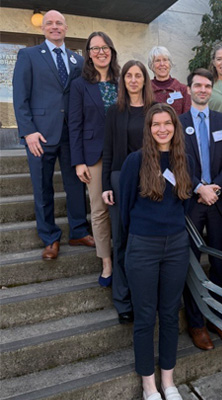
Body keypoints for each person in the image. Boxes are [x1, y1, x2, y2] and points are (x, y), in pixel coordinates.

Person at [119, 103, 193, 400]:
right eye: (155, 124)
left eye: (168, 123)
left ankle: (168, 381)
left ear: (175, 128)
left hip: (176, 245)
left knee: (171, 315)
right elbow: (124, 210)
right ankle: (149, 385)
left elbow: (183, 203)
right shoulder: (135, 161)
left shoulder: (183, 160)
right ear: (148, 130)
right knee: (146, 317)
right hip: (143, 246)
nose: (162, 128)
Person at [12, 9, 94, 261]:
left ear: (66, 27)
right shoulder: (28, 55)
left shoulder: (77, 60)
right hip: (40, 135)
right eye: (50, 23)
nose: (55, 27)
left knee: (76, 185)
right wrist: (28, 132)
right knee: (42, 187)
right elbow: (20, 96)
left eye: (59, 23)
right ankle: (49, 238)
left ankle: (79, 230)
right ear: (43, 28)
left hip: (71, 135)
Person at [178, 68, 222, 350]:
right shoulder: (177, 123)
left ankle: (217, 317)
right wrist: (197, 188)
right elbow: (175, 162)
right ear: (189, 89)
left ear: (211, 90)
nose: (202, 89)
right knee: (191, 263)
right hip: (191, 202)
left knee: (219, 263)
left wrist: (213, 188)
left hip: (218, 201)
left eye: (207, 85)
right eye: (197, 85)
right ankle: (197, 323)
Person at [101, 59, 154, 324]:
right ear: (122, 81)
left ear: (145, 80)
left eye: (138, 75)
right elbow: (108, 150)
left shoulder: (156, 110)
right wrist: (106, 186)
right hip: (121, 180)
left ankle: (143, 298)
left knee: (145, 242)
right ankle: (123, 301)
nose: (133, 80)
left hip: (150, 181)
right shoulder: (114, 112)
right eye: (128, 76)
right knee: (121, 240)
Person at [68, 31, 120, 287]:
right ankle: (106, 262)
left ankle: (123, 257)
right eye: (95, 48)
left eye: (105, 47)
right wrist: (78, 161)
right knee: (99, 211)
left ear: (112, 51)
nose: (101, 52)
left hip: (124, 154)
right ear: (88, 53)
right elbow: (74, 124)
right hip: (94, 156)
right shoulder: (79, 84)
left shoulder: (123, 81)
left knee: (124, 208)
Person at [148, 46, 191, 115]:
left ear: (170, 63)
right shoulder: (146, 90)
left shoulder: (183, 90)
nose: (162, 64)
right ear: (151, 65)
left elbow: (187, 117)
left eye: (165, 60)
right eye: (157, 60)